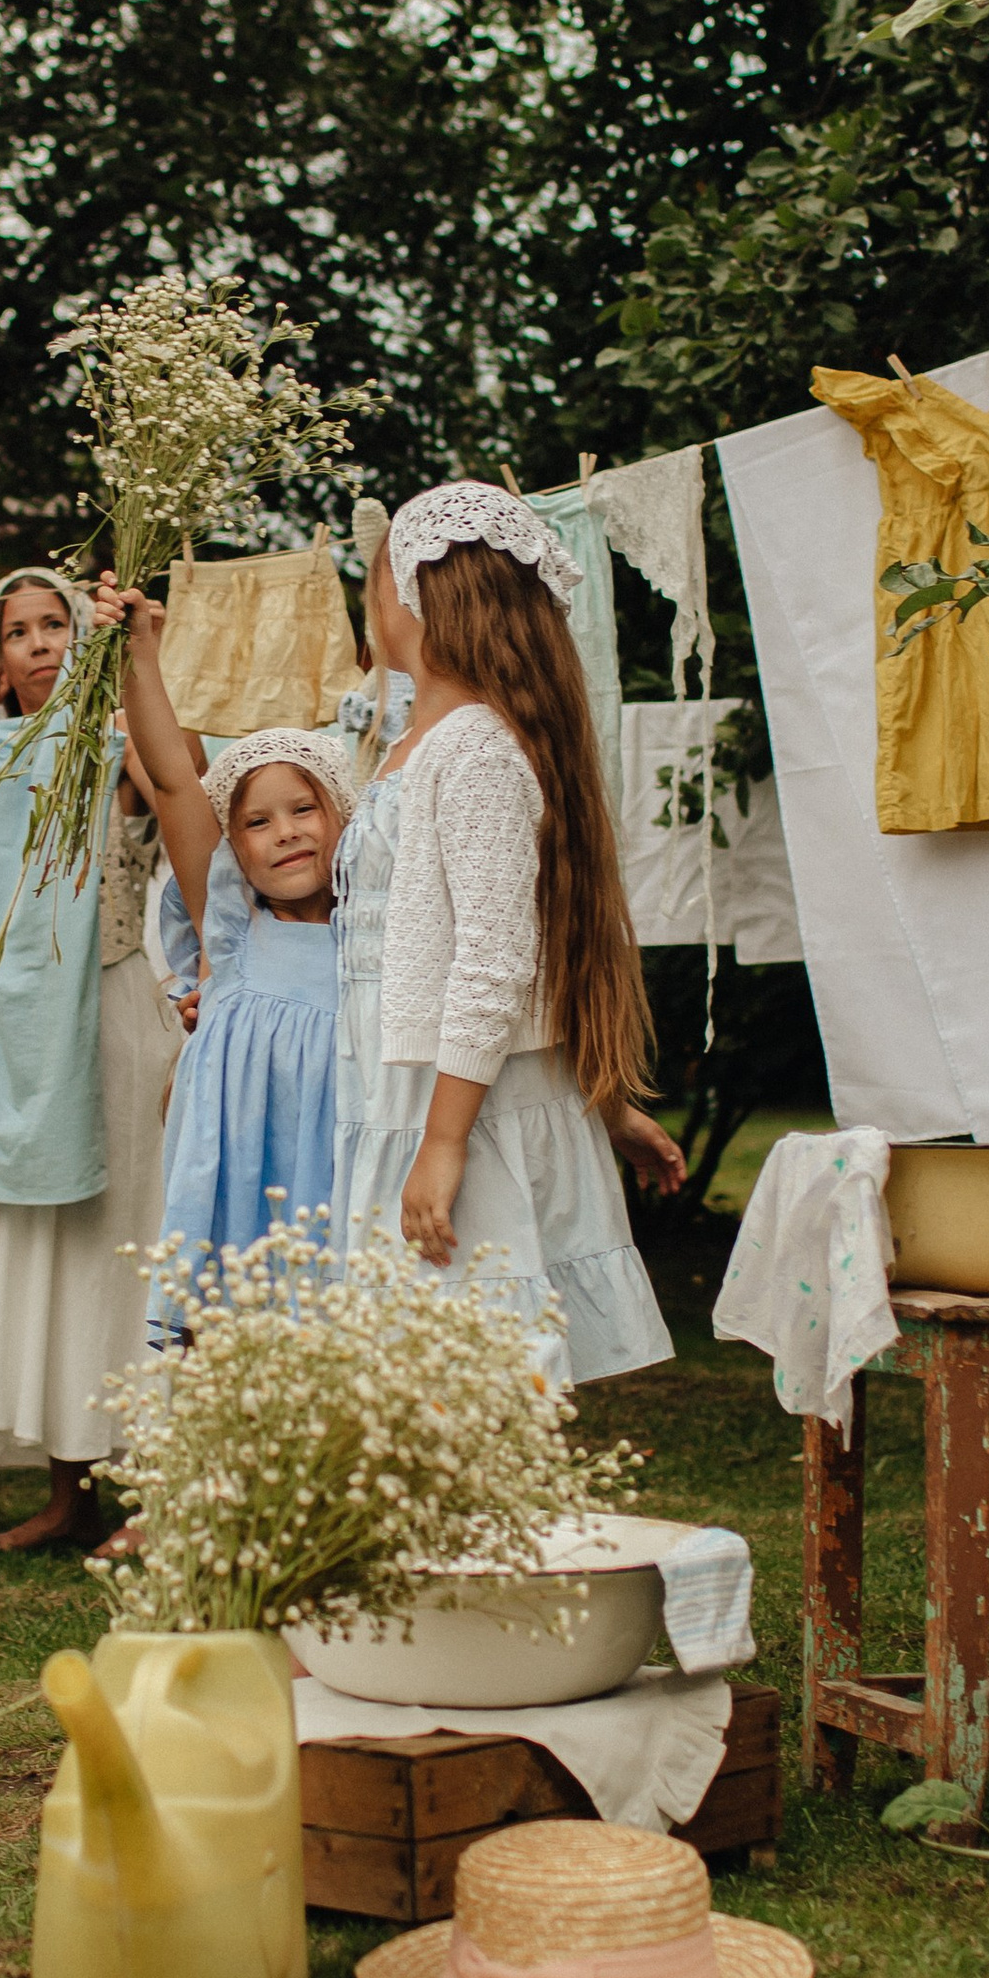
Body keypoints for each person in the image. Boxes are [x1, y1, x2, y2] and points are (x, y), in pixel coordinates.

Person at [333, 483, 685, 1378]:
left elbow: (495, 961)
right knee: (418, 1379)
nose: (367, 607)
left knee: (475, 1378)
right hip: (407, 1089)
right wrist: (600, 1104)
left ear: (416, 599)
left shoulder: (477, 749)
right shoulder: (418, 743)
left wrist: (443, 1142)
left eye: (374, 586)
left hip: (454, 1107)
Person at [0, 568, 188, 1551]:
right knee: (47, 1260)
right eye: (15, 629)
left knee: (124, 1246)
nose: (37, 642)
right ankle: (70, 1494)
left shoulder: (113, 745)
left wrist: (126, 682)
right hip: (12, 1043)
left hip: (111, 1017)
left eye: (54, 623)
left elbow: (180, 786)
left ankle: (157, 1495)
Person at [92, 573, 350, 1317]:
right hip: (238, 1187)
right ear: (233, 844)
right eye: (259, 823)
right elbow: (174, 781)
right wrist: (141, 649)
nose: (287, 832)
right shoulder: (229, 929)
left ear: (341, 816)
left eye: (303, 809)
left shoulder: (376, 934)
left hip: (339, 1183)